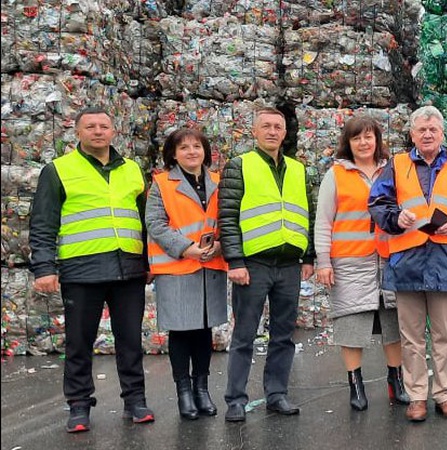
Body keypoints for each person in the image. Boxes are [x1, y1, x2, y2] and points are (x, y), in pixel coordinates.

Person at [29, 107, 155, 432]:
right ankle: (79, 405)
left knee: (130, 341)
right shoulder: (58, 170)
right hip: (81, 271)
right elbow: (43, 224)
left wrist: (149, 263)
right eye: (90, 126)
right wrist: (44, 267)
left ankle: (135, 400)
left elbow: (146, 222)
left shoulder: (132, 170)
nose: (98, 131)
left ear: (113, 131)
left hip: (127, 270)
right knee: (78, 343)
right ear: (78, 132)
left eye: (104, 126)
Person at [369, 106, 447, 422]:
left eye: (432, 130)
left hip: (445, 260)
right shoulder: (396, 165)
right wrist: (396, 217)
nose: (427, 135)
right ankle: (417, 397)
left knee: (444, 336)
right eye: (421, 130)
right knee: (411, 338)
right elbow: (378, 204)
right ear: (412, 135)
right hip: (407, 260)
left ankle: (445, 395)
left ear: (442, 134)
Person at [219, 107, 315, 422]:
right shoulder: (239, 166)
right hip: (253, 263)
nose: (272, 132)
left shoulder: (299, 170)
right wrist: (235, 260)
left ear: (285, 133)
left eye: (278, 127)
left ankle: (277, 394)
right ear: (254, 132)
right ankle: (235, 399)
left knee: (284, 334)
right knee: (244, 334)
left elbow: (308, 215)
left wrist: (309, 256)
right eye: (266, 126)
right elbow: (228, 217)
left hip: (289, 264)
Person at [314, 116, 411, 411]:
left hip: (389, 257)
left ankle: (396, 381)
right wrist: (324, 261)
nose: (364, 143)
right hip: (350, 261)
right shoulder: (336, 174)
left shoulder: (391, 170)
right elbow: (323, 222)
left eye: (369, 137)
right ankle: (355, 384)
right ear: (349, 143)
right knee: (351, 324)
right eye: (357, 138)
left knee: (394, 322)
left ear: (377, 140)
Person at [145, 128, 228, 420]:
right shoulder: (162, 184)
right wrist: (186, 248)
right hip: (178, 266)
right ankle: (184, 392)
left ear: (206, 151)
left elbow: (227, 218)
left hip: (209, 264)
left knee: (204, 329)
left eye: (197, 146)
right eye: (184, 148)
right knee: (181, 330)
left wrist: (219, 245)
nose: (192, 152)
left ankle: (202, 388)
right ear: (173, 154)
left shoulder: (218, 181)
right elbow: (155, 223)